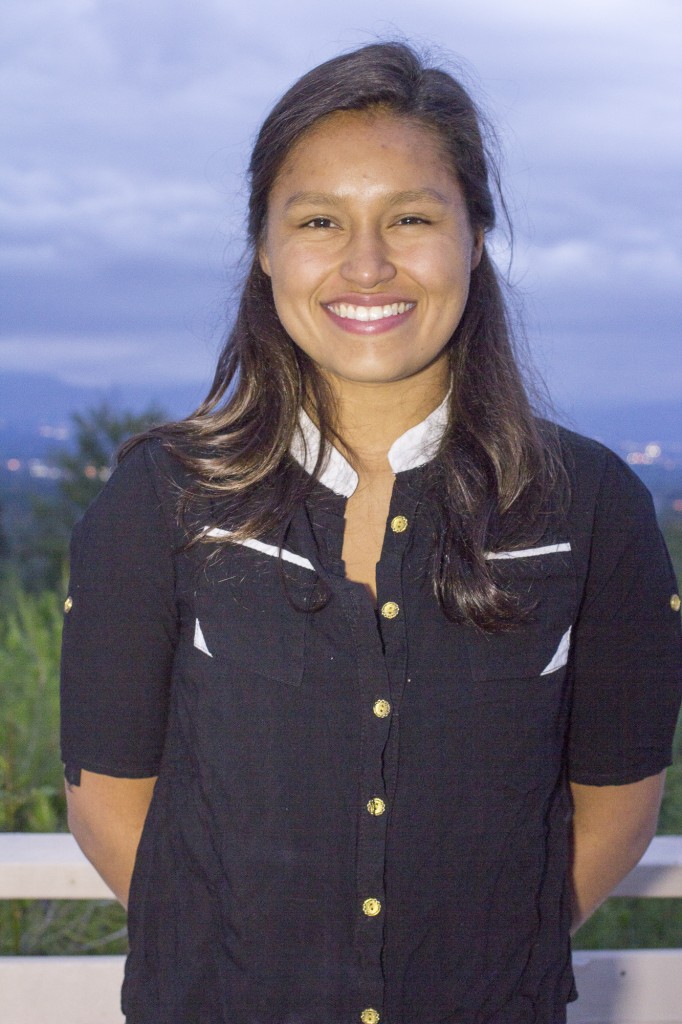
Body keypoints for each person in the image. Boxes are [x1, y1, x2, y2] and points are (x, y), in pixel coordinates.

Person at [60, 41, 682, 1024]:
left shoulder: (591, 507)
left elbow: (616, 802)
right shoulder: (160, 498)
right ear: (264, 249)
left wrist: (463, 957)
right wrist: (262, 967)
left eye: (410, 217)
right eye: (318, 220)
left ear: (474, 236)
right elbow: (107, 801)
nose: (365, 263)